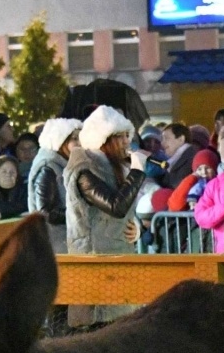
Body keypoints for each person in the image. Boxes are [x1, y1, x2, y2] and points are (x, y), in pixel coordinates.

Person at [66, 104, 148, 257]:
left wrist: (135, 227)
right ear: (103, 140)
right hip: (93, 256)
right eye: (120, 136)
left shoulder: (118, 167)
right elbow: (116, 207)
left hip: (118, 251)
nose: (126, 142)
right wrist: (136, 172)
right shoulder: (84, 170)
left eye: (127, 135)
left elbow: (126, 208)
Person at [30, 117, 82, 251]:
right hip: (54, 242)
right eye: (74, 138)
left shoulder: (72, 165)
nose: (80, 143)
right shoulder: (48, 168)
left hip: (68, 239)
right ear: (61, 141)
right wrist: (77, 213)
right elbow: (44, 211)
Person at [160, 123, 197, 189]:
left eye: (166, 138)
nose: (162, 143)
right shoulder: (175, 160)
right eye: (162, 139)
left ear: (181, 139)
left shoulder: (192, 159)